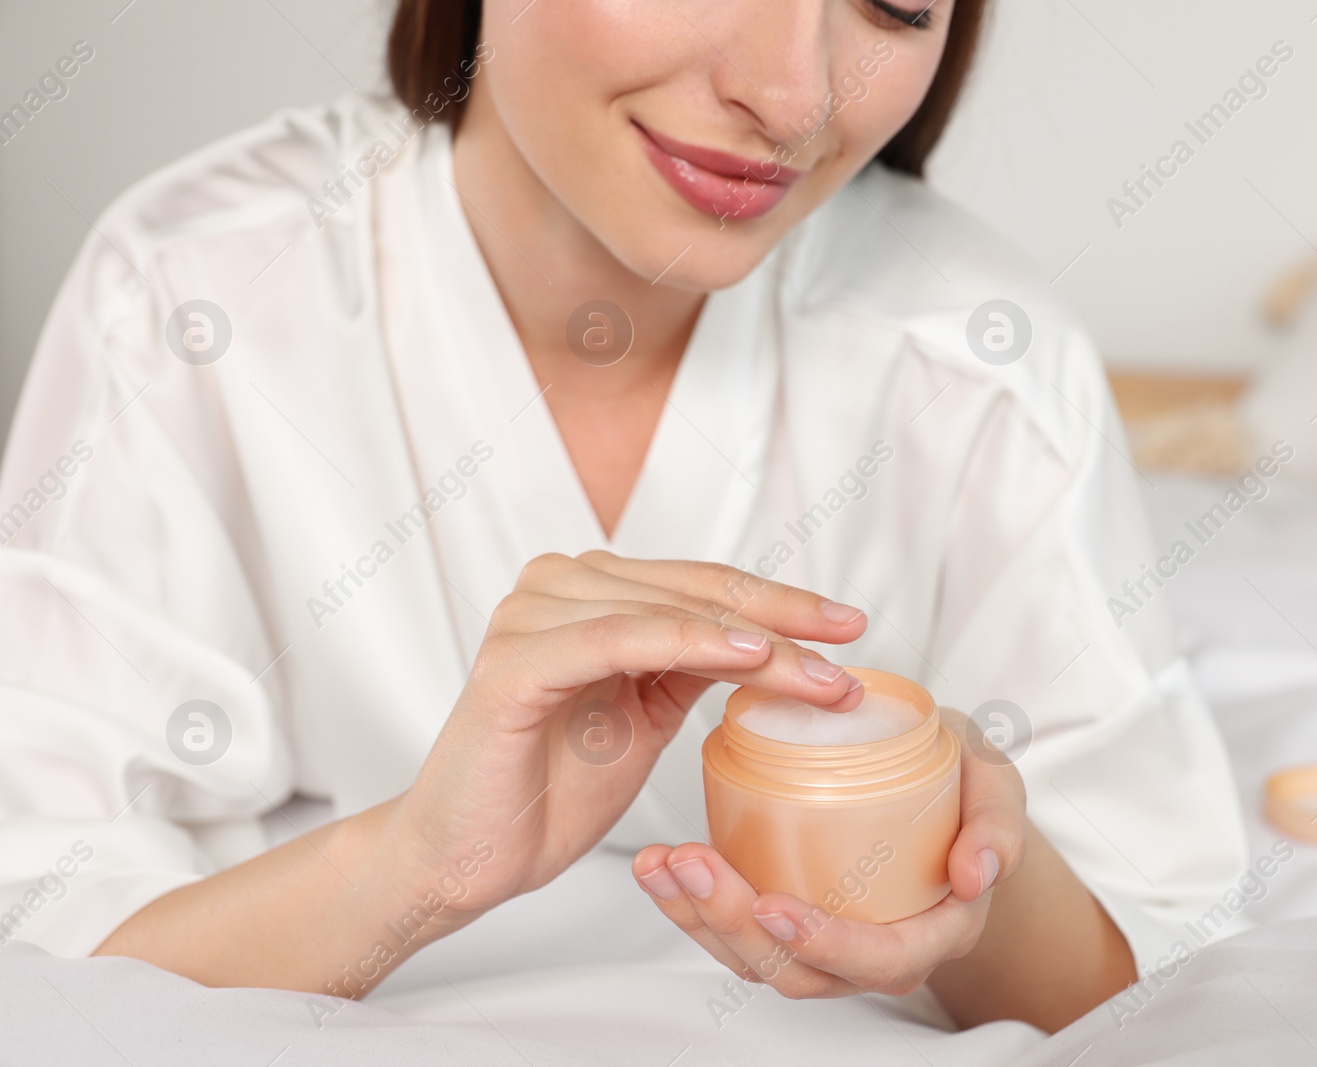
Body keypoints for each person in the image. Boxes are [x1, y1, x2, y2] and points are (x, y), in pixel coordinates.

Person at [0, 0, 1245, 1034]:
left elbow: (1164, 981)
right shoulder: (191, 296)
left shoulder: (982, 368)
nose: (794, 94)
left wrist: (971, 876)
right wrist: (415, 866)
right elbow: (45, 945)